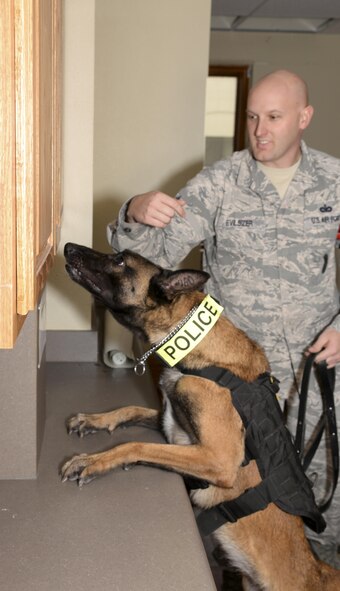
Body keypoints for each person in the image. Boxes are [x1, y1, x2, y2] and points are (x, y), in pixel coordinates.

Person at [108, 69, 340, 567]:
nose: (259, 129)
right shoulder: (220, 182)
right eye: (252, 116)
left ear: (304, 118)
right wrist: (134, 209)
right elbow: (155, 258)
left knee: (324, 503)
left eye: (274, 117)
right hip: (236, 379)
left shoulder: (335, 181)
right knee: (237, 500)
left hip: (317, 376)